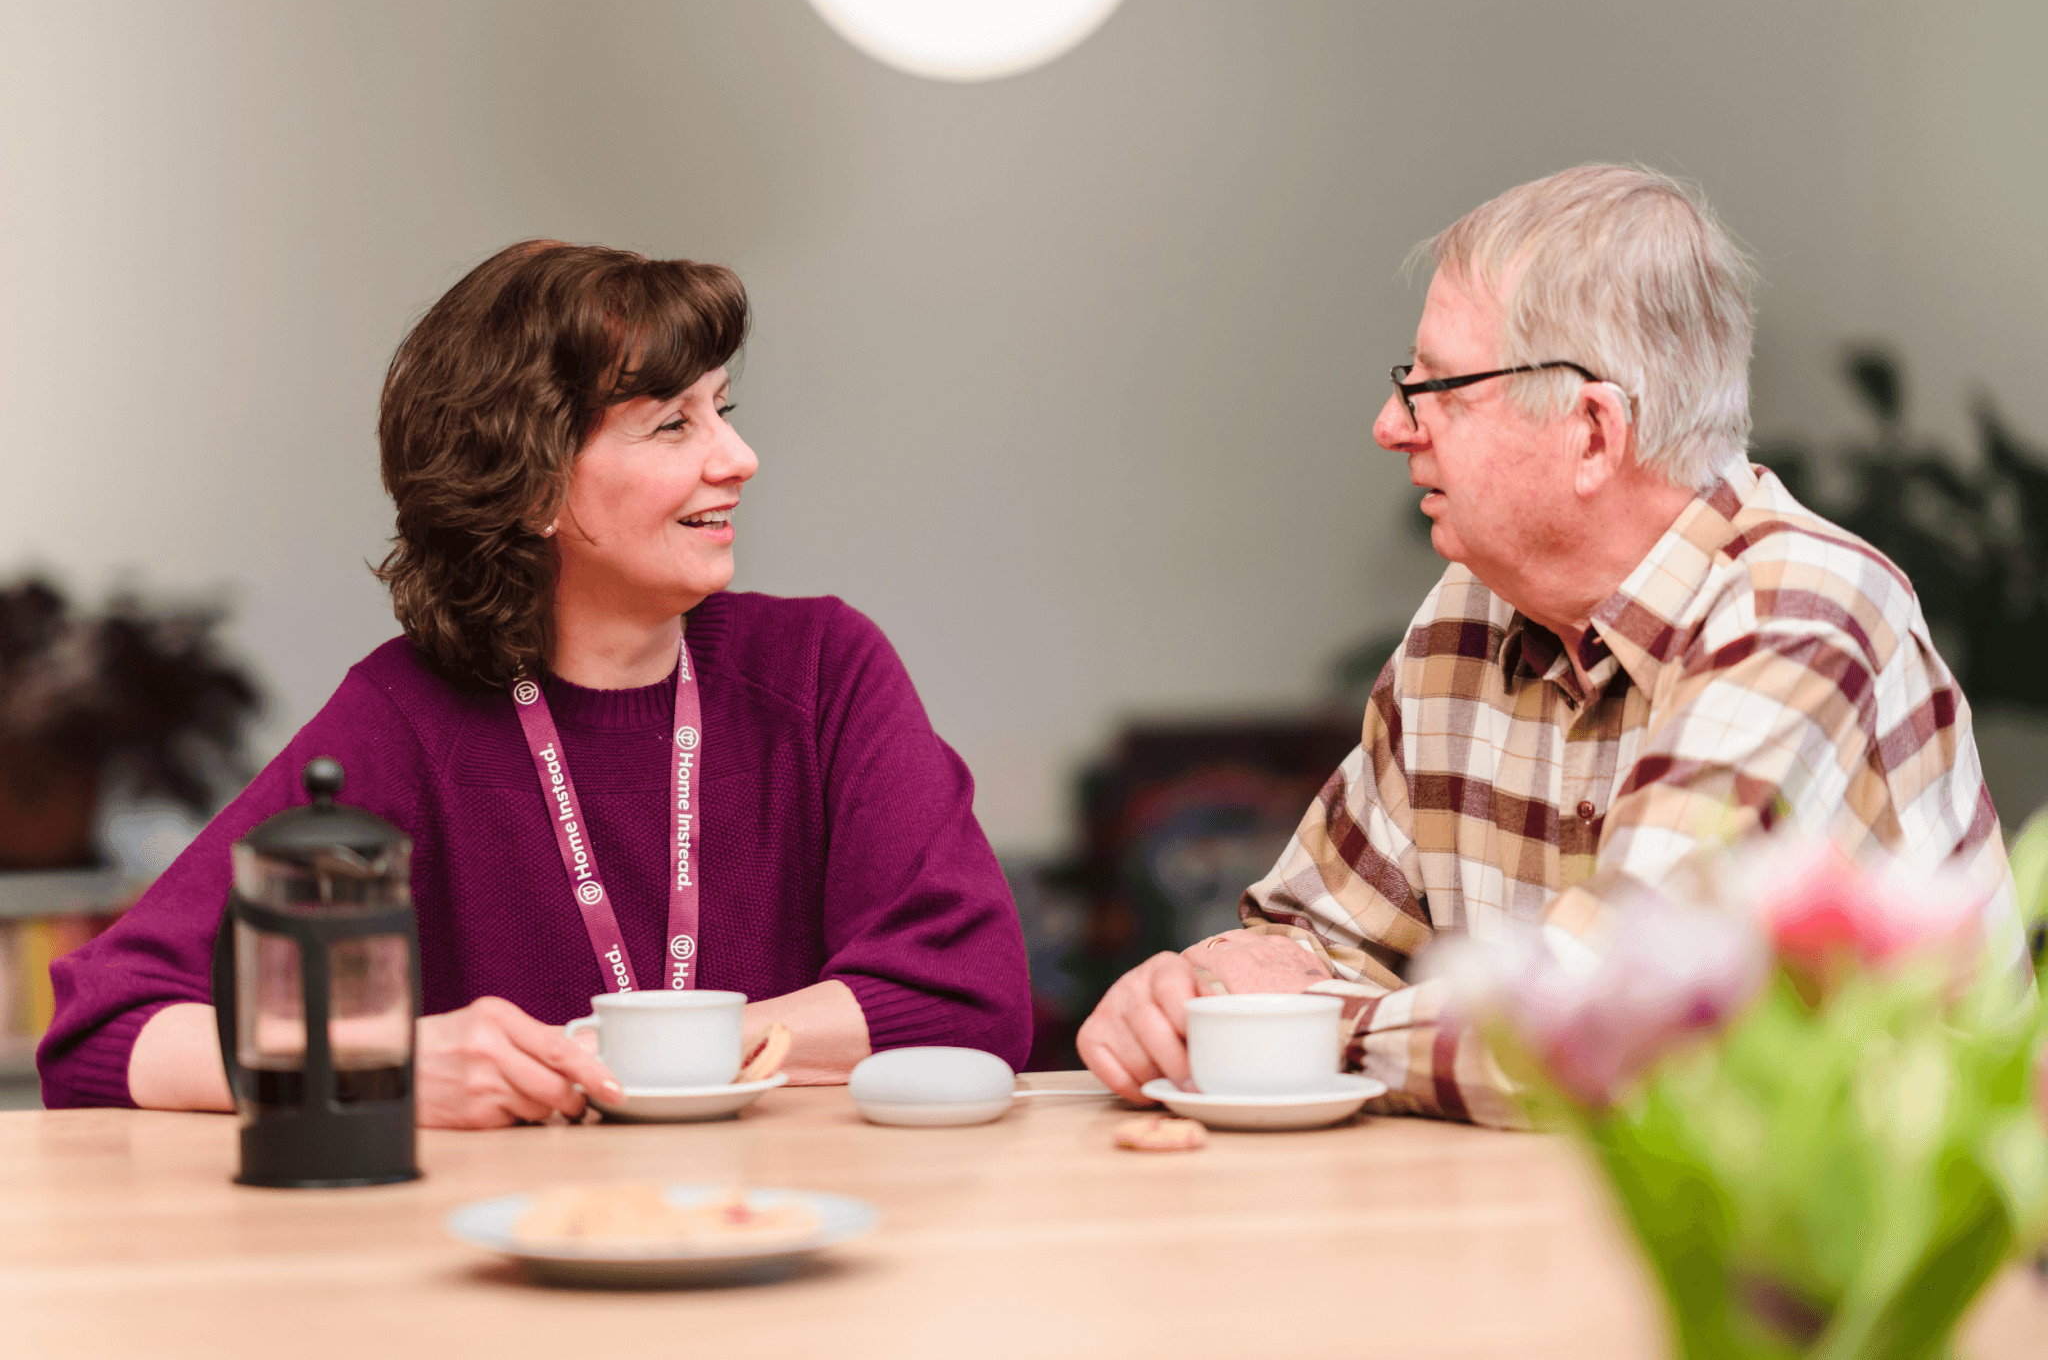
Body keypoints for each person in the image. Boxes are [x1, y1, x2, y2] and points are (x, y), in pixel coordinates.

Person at [1077, 164, 2020, 1125]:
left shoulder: (1800, 612)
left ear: (1594, 434)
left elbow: (1610, 1024)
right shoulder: (1467, 616)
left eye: (1438, 386)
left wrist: (1295, 1029)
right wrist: (1195, 991)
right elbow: (1315, 935)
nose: (1391, 425)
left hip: (1852, 1259)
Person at [39, 241, 1032, 1125]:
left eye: (720, 411)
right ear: (532, 483)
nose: (739, 458)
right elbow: (98, 1027)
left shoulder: (819, 669)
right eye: (670, 425)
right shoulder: (403, 718)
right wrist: (372, 1065)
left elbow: (967, 994)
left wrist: (650, 1053)